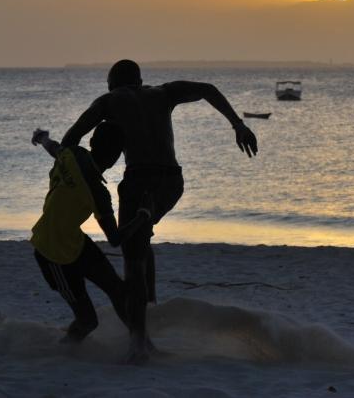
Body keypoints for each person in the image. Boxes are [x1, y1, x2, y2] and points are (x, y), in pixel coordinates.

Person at [60, 59, 258, 363]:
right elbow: (208, 89)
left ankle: (139, 343)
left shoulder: (108, 101)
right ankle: (148, 303)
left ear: (112, 84)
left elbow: (69, 140)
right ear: (139, 81)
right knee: (140, 238)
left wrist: (80, 172)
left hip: (140, 181)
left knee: (133, 260)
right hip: (171, 183)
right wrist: (239, 125)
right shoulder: (164, 93)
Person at [31, 123, 150, 344]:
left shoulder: (73, 153)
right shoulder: (97, 192)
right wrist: (143, 215)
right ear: (117, 156)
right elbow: (115, 239)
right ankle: (65, 351)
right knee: (87, 321)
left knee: (117, 289)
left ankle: (140, 343)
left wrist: (42, 138)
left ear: (92, 144)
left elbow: (54, 148)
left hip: (74, 241)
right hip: (51, 251)